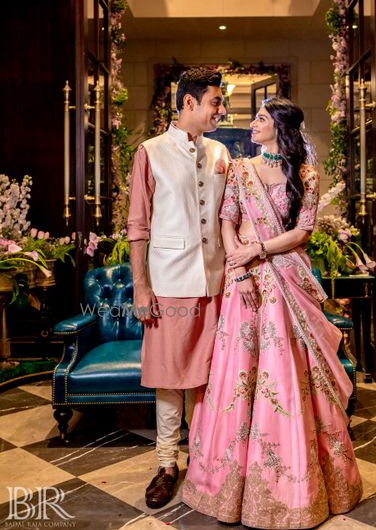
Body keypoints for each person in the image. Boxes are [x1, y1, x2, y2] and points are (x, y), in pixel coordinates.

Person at [182, 97, 363, 529]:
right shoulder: (242, 169)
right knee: (239, 373)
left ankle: (296, 487)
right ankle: (227, 486)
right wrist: (240, 270)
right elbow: (226, 220)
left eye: (261, 119)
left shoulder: (306, 174)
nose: (253, 125)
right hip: (245, 283)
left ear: (280, 126)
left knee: (286, 375)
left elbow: (303, 230)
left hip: (285, 282)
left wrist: (259, 249)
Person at [127, 67, 229, 509]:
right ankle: (167, 463)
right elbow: (137, 226)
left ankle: (204, 461)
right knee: (170, 379)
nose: (220, 110)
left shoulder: (223, 152)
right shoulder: (150, 152)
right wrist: (141, 288)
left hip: (217, 281)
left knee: (209, 378)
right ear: (188, 103)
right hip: (169, 282)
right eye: (215, 102)